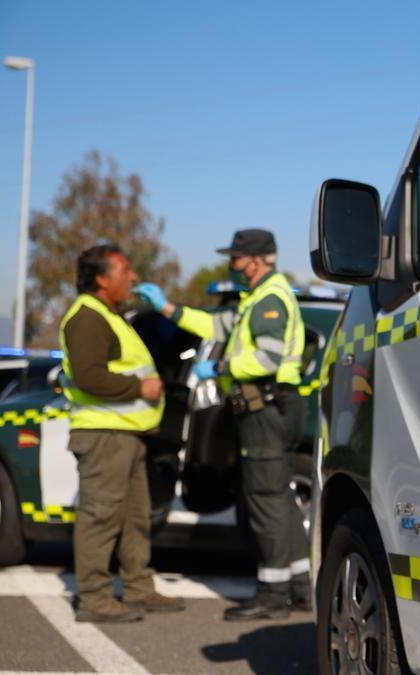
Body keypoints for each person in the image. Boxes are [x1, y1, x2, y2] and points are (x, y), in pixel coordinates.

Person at [136, 229, 309, 621]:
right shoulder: (256, 300)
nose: (230, 265)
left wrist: (217, 367)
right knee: (279, 499)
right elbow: (213, 325)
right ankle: (300, 589)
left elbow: (265, 360)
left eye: (236, 258)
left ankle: (272, 593)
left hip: (264, 409)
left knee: (264, 502)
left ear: (258, 259)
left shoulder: (268, 300)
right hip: (273, 408)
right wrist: (167, 308)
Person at [59, 243, 185, 622]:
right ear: (101, 279)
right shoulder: (87, 317)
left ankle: (138, 588)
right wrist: (140, 389)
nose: (133, 277)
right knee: (100, 517)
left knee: (134, 517)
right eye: (124, 270)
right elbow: (89, 376)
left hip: (126, 435)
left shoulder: (110, 315)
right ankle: (96, 599)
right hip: (103, 435)